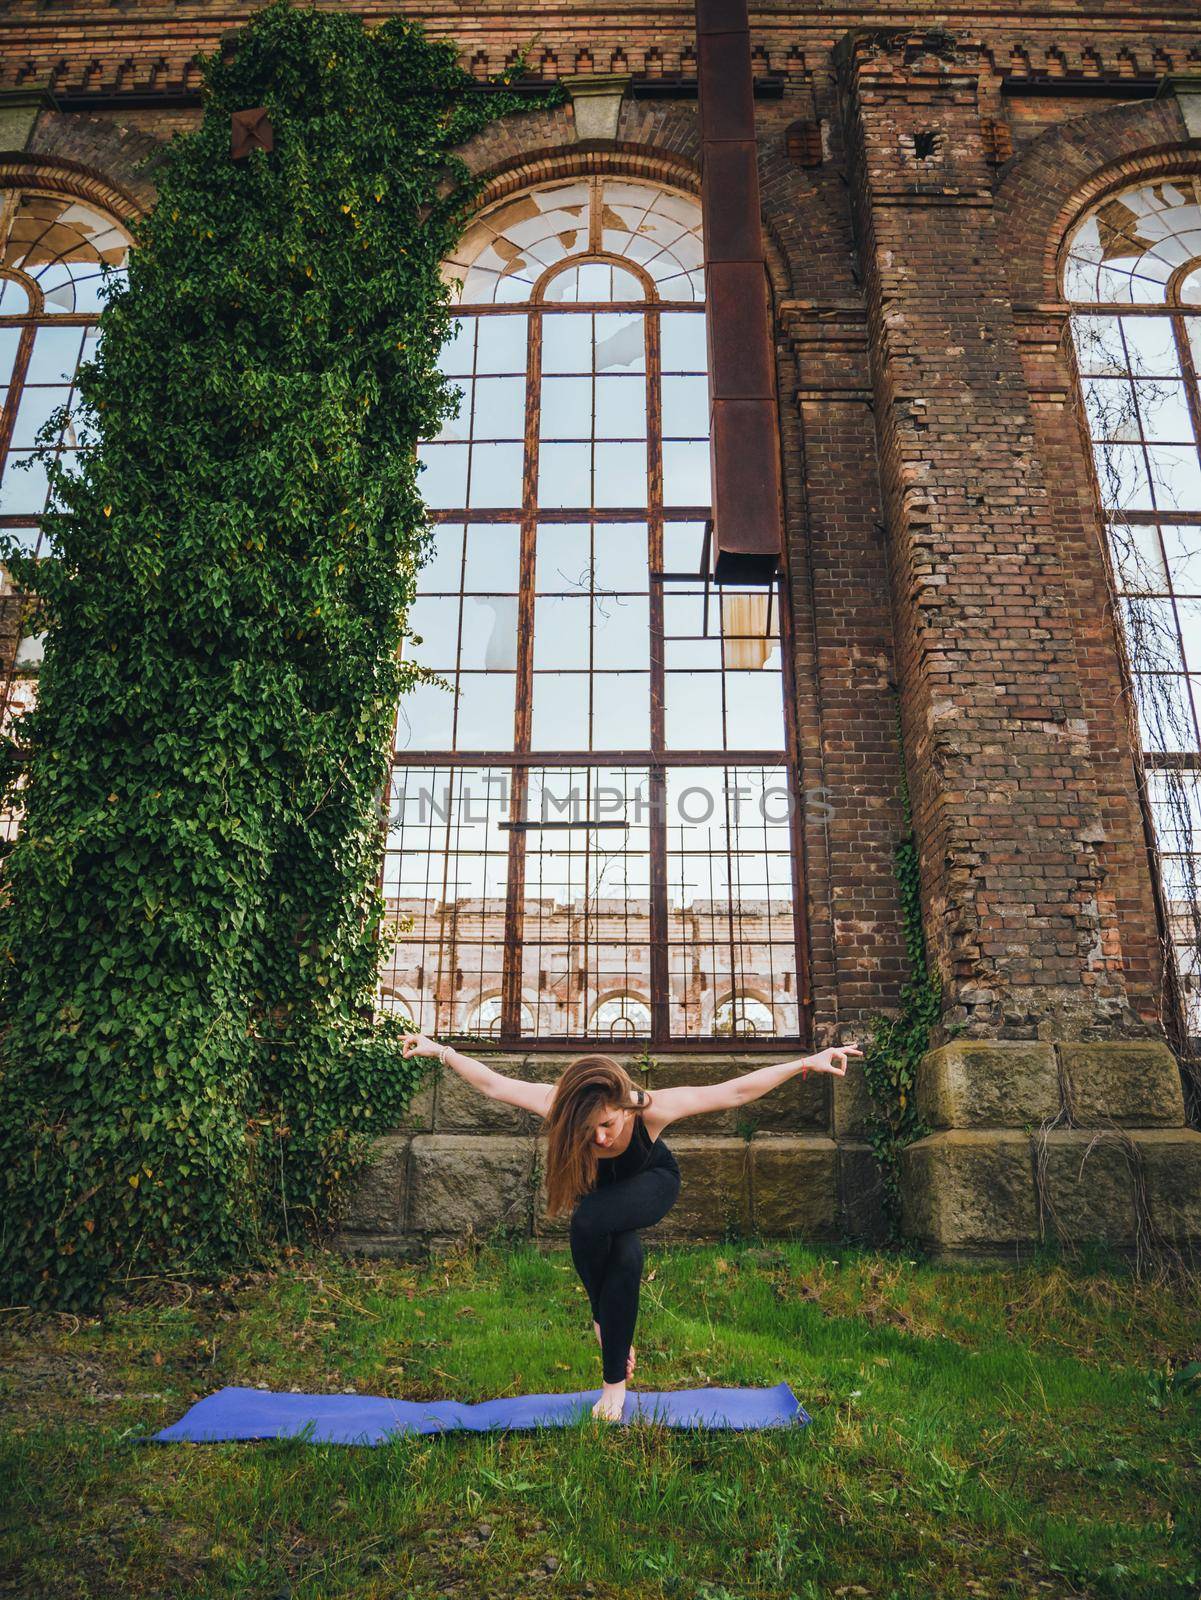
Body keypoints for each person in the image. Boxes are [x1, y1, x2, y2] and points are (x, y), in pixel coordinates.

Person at [399, 1032, 864, 1421]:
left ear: (624, 1106)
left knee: (588, 1219)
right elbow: (496, 1086)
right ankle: (613, 1385)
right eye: (589, 1131)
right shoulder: (561, 1105)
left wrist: (808, 1062)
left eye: (607, 1124)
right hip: (602, 1200)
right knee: (624, 1257)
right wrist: (442, 1051)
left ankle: (603, 1321)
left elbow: (734, 1091)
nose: (600, 1138)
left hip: (653, 1183)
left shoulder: (652, 1109)